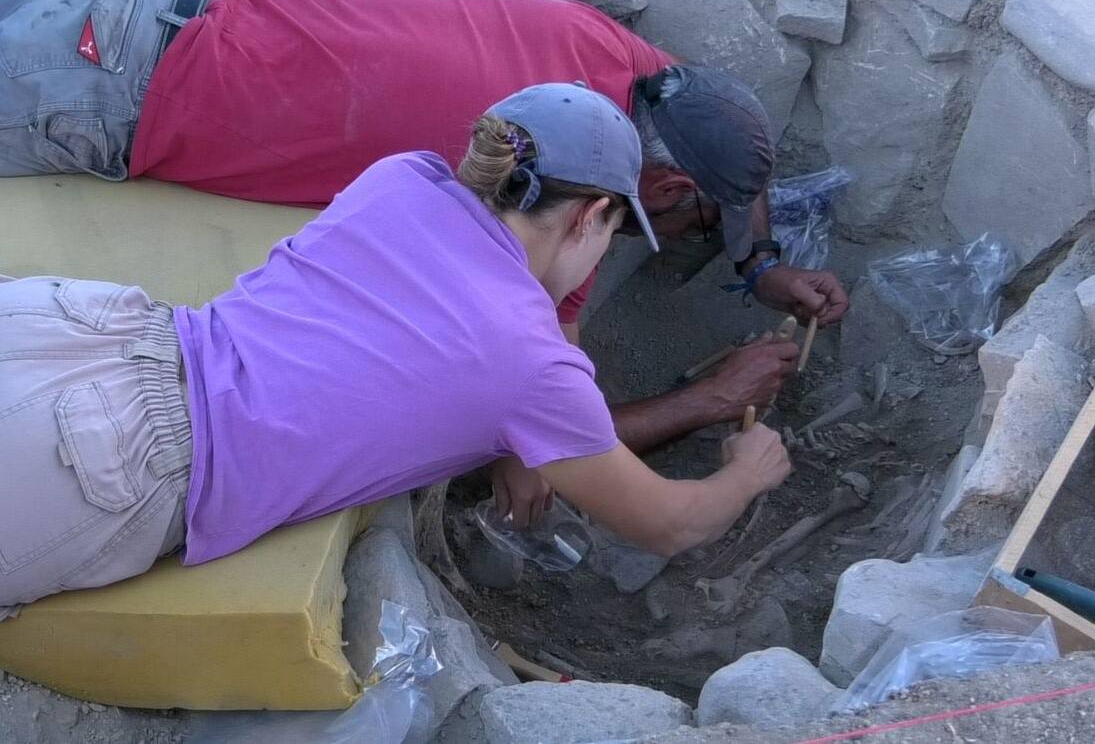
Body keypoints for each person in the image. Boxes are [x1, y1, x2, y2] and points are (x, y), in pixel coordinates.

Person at [1, 0, 844, 513]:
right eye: (695, 218)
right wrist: (712, 401)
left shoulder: (597, 65)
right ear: (634, 193)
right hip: (100, 85)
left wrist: (759, 262)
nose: (686, 233)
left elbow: (720, 151)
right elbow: (551, 431)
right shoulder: (541, 211)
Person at [0, 84, 792, 621]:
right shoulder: (529, 366)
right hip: (108, 458)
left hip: (82, 330)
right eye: (614, 232)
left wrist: (527, 435)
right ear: (589, 216)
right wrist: (746, 469)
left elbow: (416, 343)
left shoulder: (403, 178)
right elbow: (669, 525)